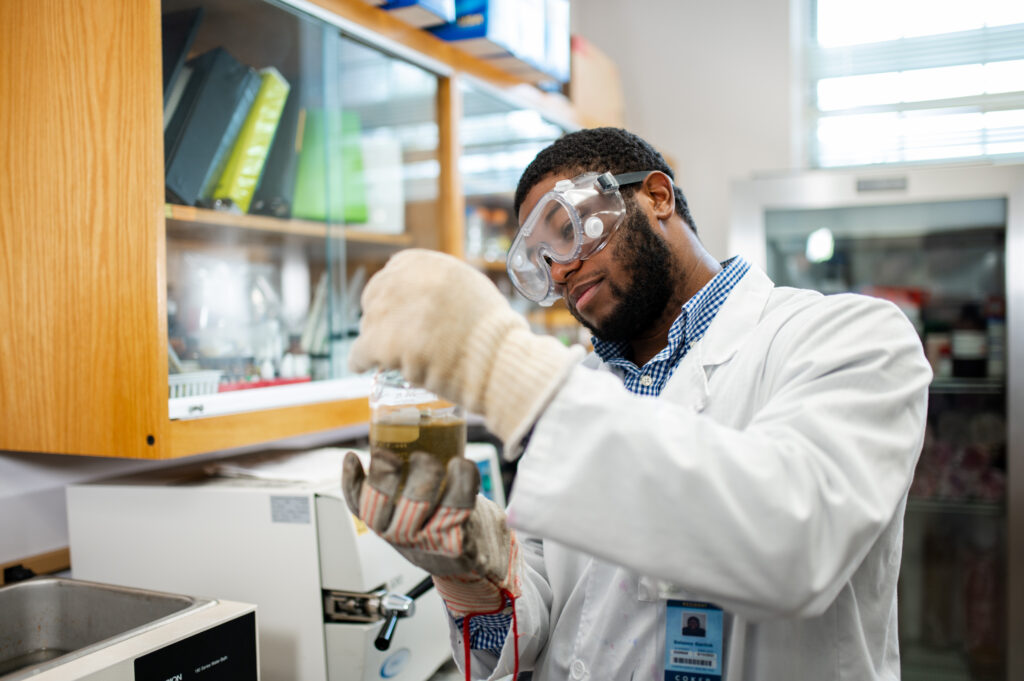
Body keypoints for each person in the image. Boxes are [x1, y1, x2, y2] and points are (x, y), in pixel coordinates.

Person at [342, 127, 931, 680]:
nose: (563, 269)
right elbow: (547, 609)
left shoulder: (851, 336)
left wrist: (502, 367)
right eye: (541, 262)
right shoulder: (585, 387)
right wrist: (475, 581)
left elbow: (797, 541)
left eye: (568, 230)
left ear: (655, 197)